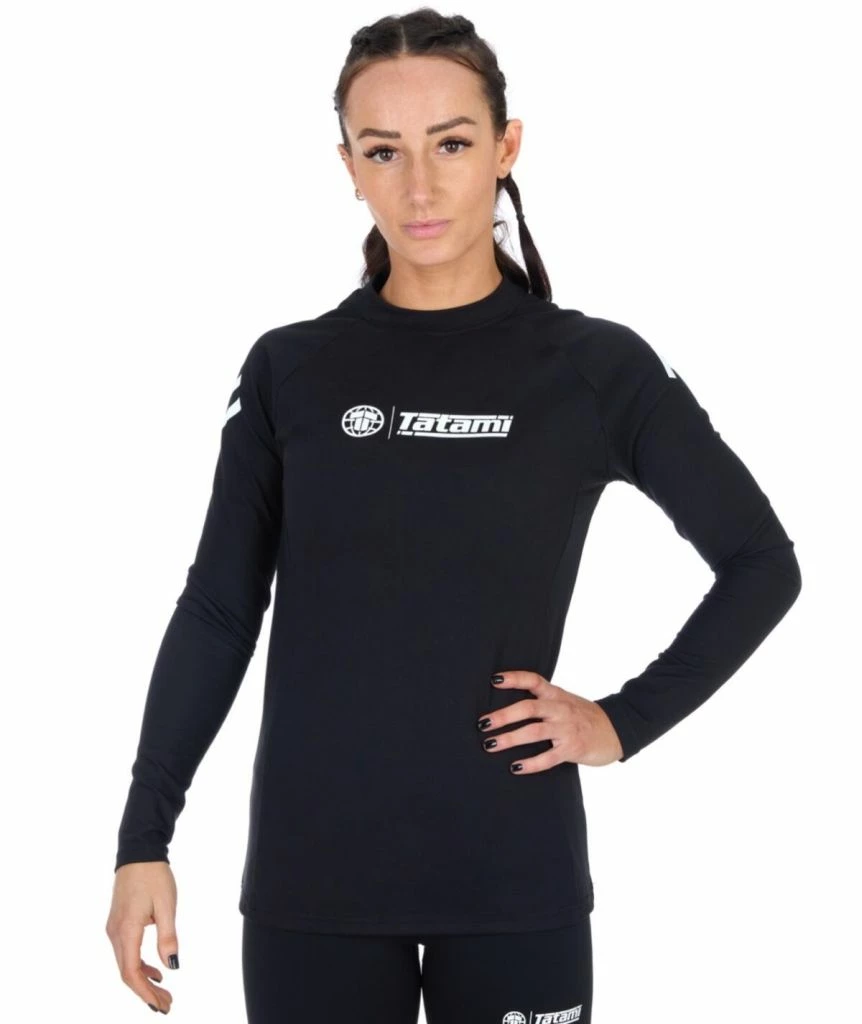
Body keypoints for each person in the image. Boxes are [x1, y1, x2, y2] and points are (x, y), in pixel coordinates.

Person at [105, 9, 802, 1022]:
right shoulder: (291, 369)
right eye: (383, 151)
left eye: (453, 144)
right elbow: (218, 610)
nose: (420, 187)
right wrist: (143, 837)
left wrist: (621, 722)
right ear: (348, 165)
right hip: (315, 882)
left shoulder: (596, 368)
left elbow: (761, 561)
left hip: (516, 878)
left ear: (506, 147)